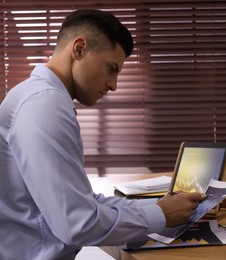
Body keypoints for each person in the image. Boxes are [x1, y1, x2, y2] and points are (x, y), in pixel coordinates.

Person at [0, 9, 205, 260]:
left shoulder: (37, 96)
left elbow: (86, 202)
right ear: (79, 49)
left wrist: (159, 207)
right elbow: (77, 224)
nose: (114, 85)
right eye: (111, 68)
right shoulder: (44, 105)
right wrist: (160, 215)